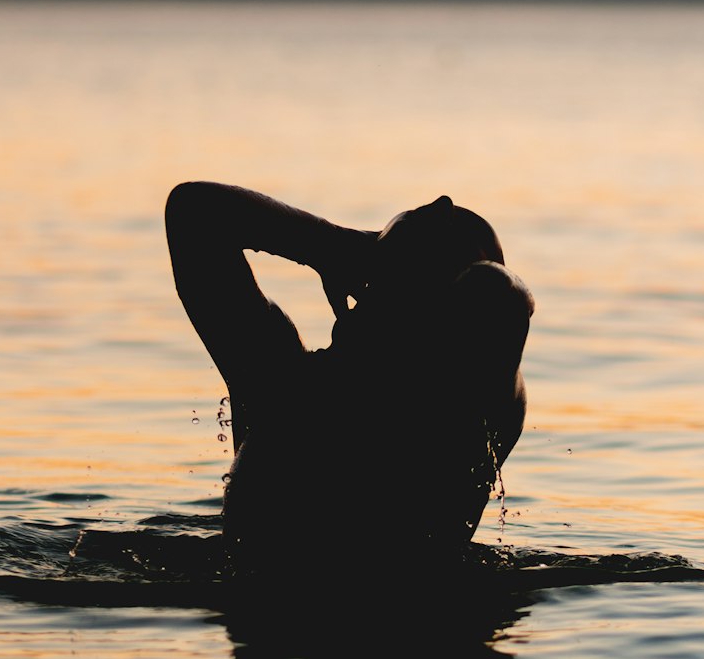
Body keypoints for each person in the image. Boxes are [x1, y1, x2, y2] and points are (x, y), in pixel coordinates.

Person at [165, 183, 533, 570]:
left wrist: (377, 249)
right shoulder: (278, 381)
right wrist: (330, 245)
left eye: (392, 287)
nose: (360, 302)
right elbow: (194, 209)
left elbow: (498, 293)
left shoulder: (463, 408)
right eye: (371, 283)